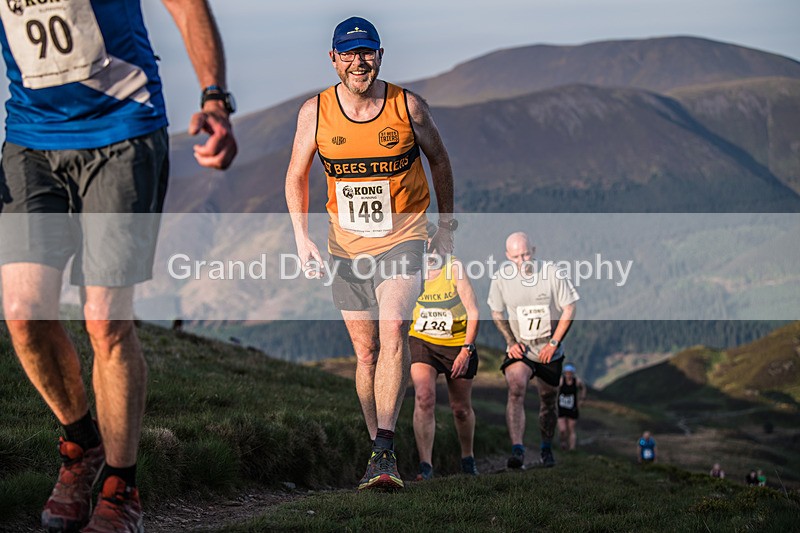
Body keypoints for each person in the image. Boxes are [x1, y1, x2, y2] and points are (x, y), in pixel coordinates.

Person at [0, 1, 237, 531]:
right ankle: (81, 447)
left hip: (123, 130)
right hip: (30, 140)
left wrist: (214, 98)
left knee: (106, 319)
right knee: (22, 312)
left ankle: (120, 488)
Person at [285, 16, 455, 491]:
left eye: (368, 53)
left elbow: (440, 160)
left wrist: (445, 228)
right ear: (334, 58)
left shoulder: (408, 107)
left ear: (380, 56)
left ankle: (385, 446)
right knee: (365, 352)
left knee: (394, 327)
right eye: (349, 54)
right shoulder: (315, 113)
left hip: (404, 237)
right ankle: (378, 456)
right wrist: (301, 236)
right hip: (345, 245)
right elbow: (296, 174)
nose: (359, 63)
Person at [488, 232, 579, 469]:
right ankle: (517, 449)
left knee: (548, 400)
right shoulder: (500, 279)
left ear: (534, 251)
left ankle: (546, 449)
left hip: (549, 349)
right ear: (507, 256)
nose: (523, 260)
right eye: (516, 256)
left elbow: (569, 308)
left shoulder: (551, 273)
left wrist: (554, 343)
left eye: (526, 254)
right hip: (522, 349)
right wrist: (510, 341)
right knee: (516, 387)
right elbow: (496, 313)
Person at [410, 223, 480, 480]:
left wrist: (466, 350)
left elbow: (473, 312)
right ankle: (425, 466)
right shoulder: (411, 269)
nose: (428, 246)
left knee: (460, 408)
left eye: (432, 241)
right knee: (424, 397)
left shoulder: (454, 267)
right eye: (423, 241)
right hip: (422, 341)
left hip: (456, 343)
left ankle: (467, 457)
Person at [557, 363, 587, 451]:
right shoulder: (561, 381)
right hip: (561, 408)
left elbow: (583, 388)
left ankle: (572, 449)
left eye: (570, 373)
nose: (568, 374)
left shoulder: (577, 381)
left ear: (572, 373)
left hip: (572, 408)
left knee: (571, 429)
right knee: (562, 429)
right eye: (567, 373)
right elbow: (555, 390)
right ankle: (563, 442)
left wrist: (582, 399)